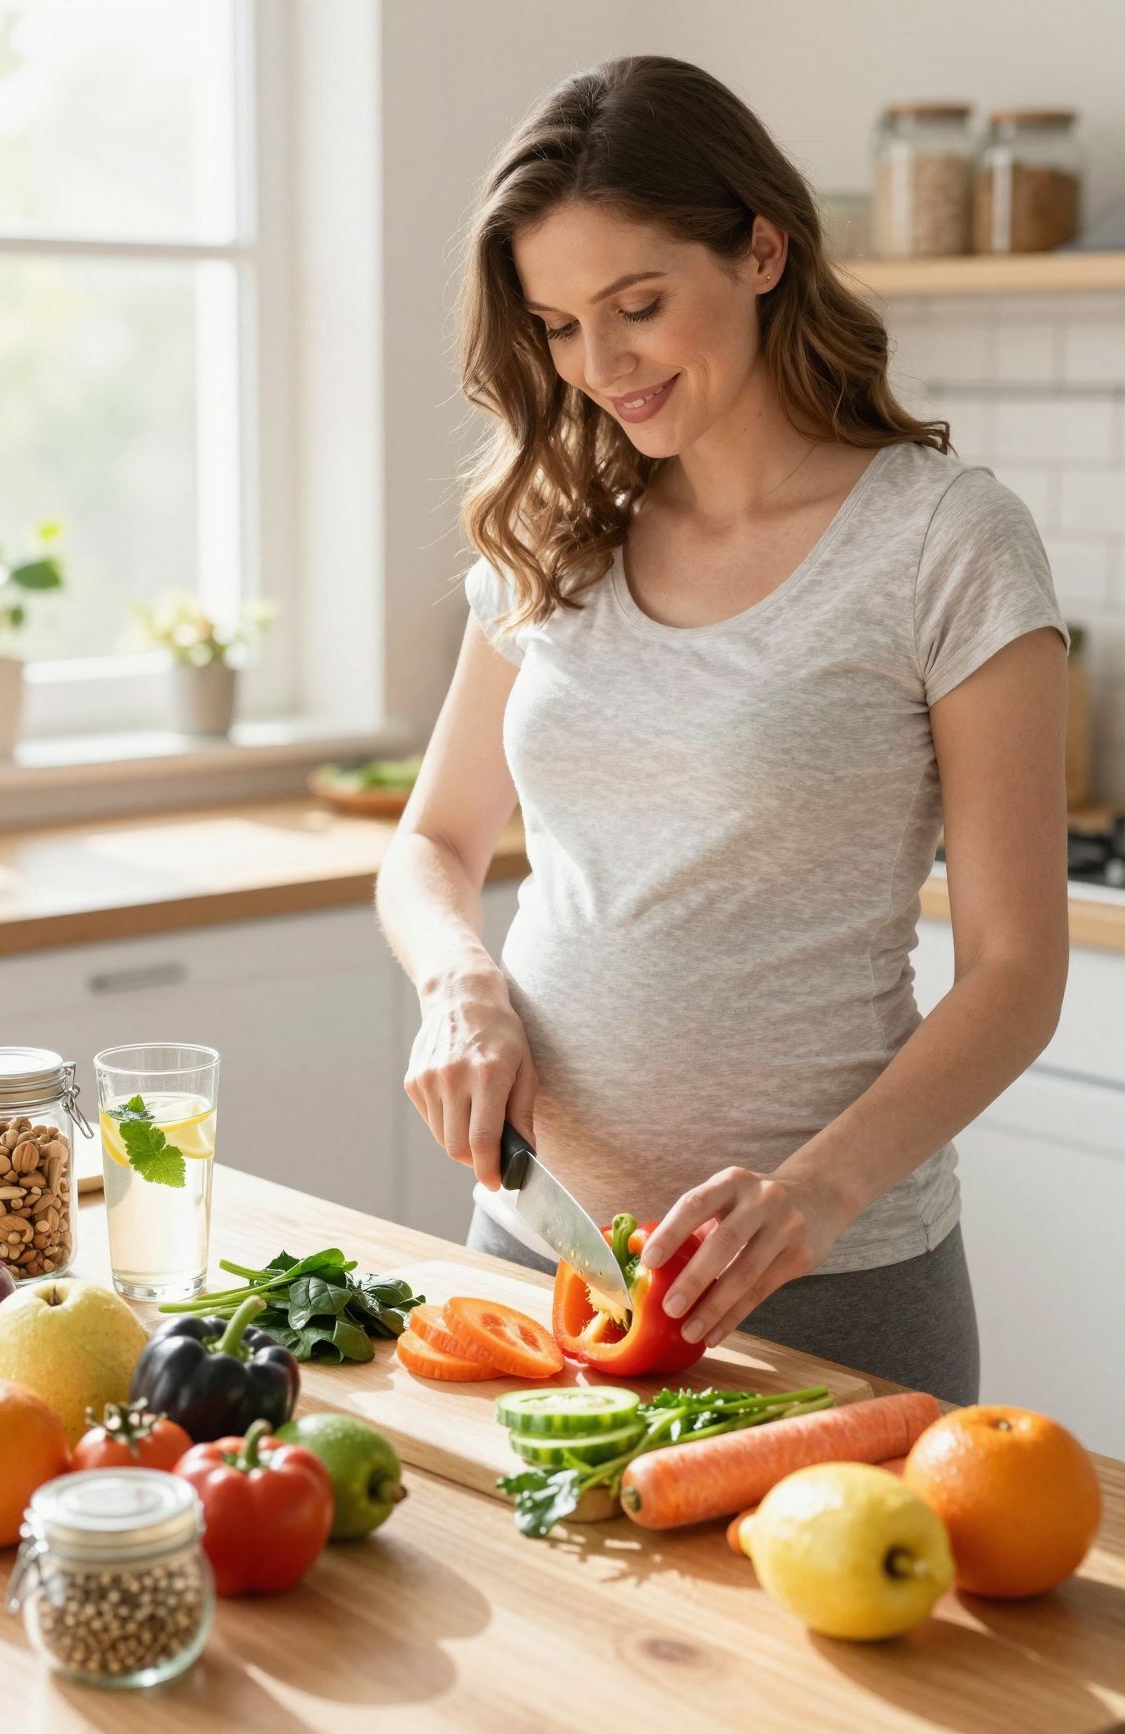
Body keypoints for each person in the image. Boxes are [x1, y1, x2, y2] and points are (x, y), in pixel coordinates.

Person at [374, 55, 1069, 1401]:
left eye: (639, 304)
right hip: (536, 1248)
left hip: (830, 1285)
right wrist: (459, 989)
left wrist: (812, 1195)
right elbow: (435, 842)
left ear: (762, 248)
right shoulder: (555, 536)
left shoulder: (943, 541)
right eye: (562, 325)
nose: (602, 365)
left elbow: (1016, 968)